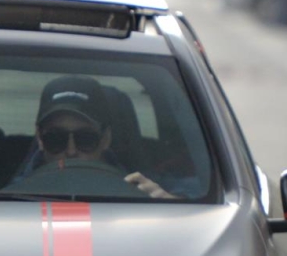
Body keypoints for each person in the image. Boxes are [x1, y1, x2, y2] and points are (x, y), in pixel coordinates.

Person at [12, 77, 174, 199]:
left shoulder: (146, 189)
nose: (71, 151)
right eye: (56, 139)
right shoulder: (8, 198)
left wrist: (170, 205)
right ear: (40, 139)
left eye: (86, 139)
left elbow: (194, 203)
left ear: (106, 139)